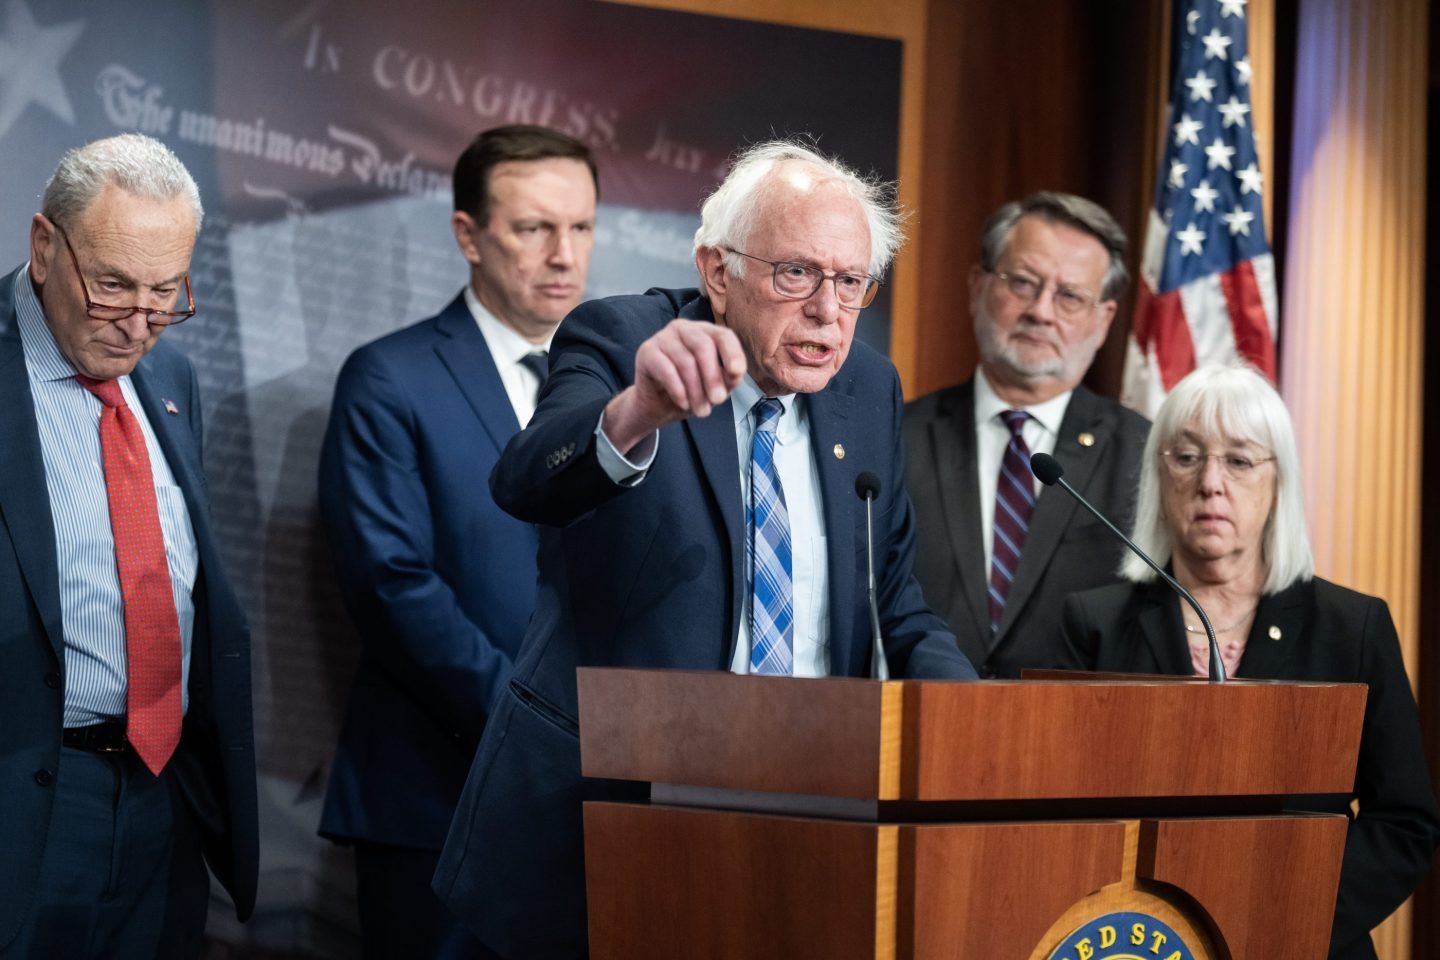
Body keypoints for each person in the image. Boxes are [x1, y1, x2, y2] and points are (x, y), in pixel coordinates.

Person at [432, 140, 979, 958]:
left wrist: (976, 729)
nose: (829, 311)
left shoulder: (868, 388)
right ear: (717, 271)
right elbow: (525, 480)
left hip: (799, 821)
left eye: (852, 281)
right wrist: (638, 411)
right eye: (797, 274)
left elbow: (894, 603)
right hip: (603, 815)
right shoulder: (626, 337)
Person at [317, 125, 598, 957]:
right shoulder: (389, 378)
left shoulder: (623, 394)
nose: (564, 256)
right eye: (533, 228)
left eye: (581, 227)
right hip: (439, 799)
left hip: (597, 808)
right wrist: (538, 734)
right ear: (468, 235)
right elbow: (392, 587)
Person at [1060, 363, 1440, 960]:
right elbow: (1062, 819)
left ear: (1277, 484)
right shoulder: (1094, 624)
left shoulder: (1352, 627)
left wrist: (1286, 917)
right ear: (1159, 477)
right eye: (1187, 457)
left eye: (1239, 461)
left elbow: (1403, 823)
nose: (1212, 482)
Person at [0, 134, 257, 957]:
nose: (140, 324)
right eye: (112, 286)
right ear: (45, 247)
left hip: (160, 796)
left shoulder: (171, 381)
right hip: (26, 799)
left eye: (166, 291)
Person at [904, 192, 1150, 677]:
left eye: (1070, 296)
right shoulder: (896, 436)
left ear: (1103, 322)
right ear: (977, 287)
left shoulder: (1144, 455)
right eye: (1023, 283)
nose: (1041, 311)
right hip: (914, 726)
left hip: (1076, 736)